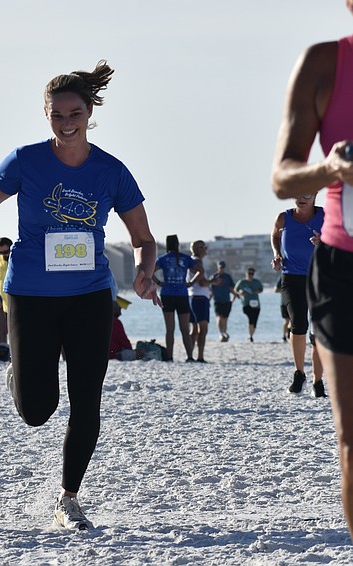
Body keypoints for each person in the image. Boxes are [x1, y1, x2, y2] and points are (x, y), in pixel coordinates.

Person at [0, 61, 161, 531]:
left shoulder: (111, 171)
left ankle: (69, 497)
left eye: (75, 113)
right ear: (45, 115)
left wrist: (144, 271)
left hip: (90, 296)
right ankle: (21, 375)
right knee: (37, 411)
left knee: (86, 400)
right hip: (30, 294)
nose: (66, 123)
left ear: (90, 112)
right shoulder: (25, 160)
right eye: (57, 115)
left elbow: (143, 237)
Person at [270, 2, 353, 536]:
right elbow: (283, 176)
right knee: (352, 436)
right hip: (343, 264)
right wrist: (331, 168)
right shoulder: (326, 63)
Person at [271, 195, 326, 395]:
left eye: (307, 194)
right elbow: (275, 236)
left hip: (320, 278)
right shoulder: (283, 218)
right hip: (291, 279)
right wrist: (277, 254)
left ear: (315, 196)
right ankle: (299, 372)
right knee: (298, 324)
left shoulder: (326, 216)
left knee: (318, 330)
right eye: (298, 193)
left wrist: (324, 241)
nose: (301, 198)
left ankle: (317, 381)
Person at [152, 234, 195, 362]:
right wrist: (191, 282)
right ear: (178, 244)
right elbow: (200, 270)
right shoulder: (185, 258)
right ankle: (190, 356)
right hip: (182, 294)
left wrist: (158, 282)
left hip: (167, 294)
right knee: (185, 329)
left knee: (170, 329)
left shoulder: (163, 258)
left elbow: (150, 271)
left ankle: (170, 357)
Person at [187, 240, 211, 363]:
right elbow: (202, 282)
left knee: (194, 329)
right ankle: (200, 356)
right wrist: (213, 282)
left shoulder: (191, 261)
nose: (206, 249)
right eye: (204, 247)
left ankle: (190, 355)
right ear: (198, 249)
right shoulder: (197, 262)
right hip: (200, 297)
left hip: (192, 297)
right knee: (203, 328)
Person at [234, 268, 263, 342]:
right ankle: (250, 336)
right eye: (249, 273)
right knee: (251, 319)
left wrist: (258, 291)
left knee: (255, 321)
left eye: (252, 274)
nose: (250, 275)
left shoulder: (257, 282)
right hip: (246, 304)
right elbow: (235, 290)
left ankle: (251, 336)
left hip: (256, 304)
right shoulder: (242, 282)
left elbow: (261, 289)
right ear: (246, 274)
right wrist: (240, 293)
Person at [209, 260, 236, 342]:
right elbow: (211, 290)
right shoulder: (213, 277)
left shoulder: (227, 277)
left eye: (223, 268)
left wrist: (233, 298)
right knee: (219, 317)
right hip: (217, 300)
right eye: (220, 267)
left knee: (225, 318)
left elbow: (232, 288)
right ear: (218, 267)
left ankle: (224, 332)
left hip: (226, 300)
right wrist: (209, 300)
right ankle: (220, 333)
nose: (221, 269)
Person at [274, 275, 291, 343]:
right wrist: (286, 289)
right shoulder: (282, 277)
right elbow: (276, 290)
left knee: (293, 320)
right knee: (287, 320)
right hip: (284, 303)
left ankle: (289, 334)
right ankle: (284, 336)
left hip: (295, 302)